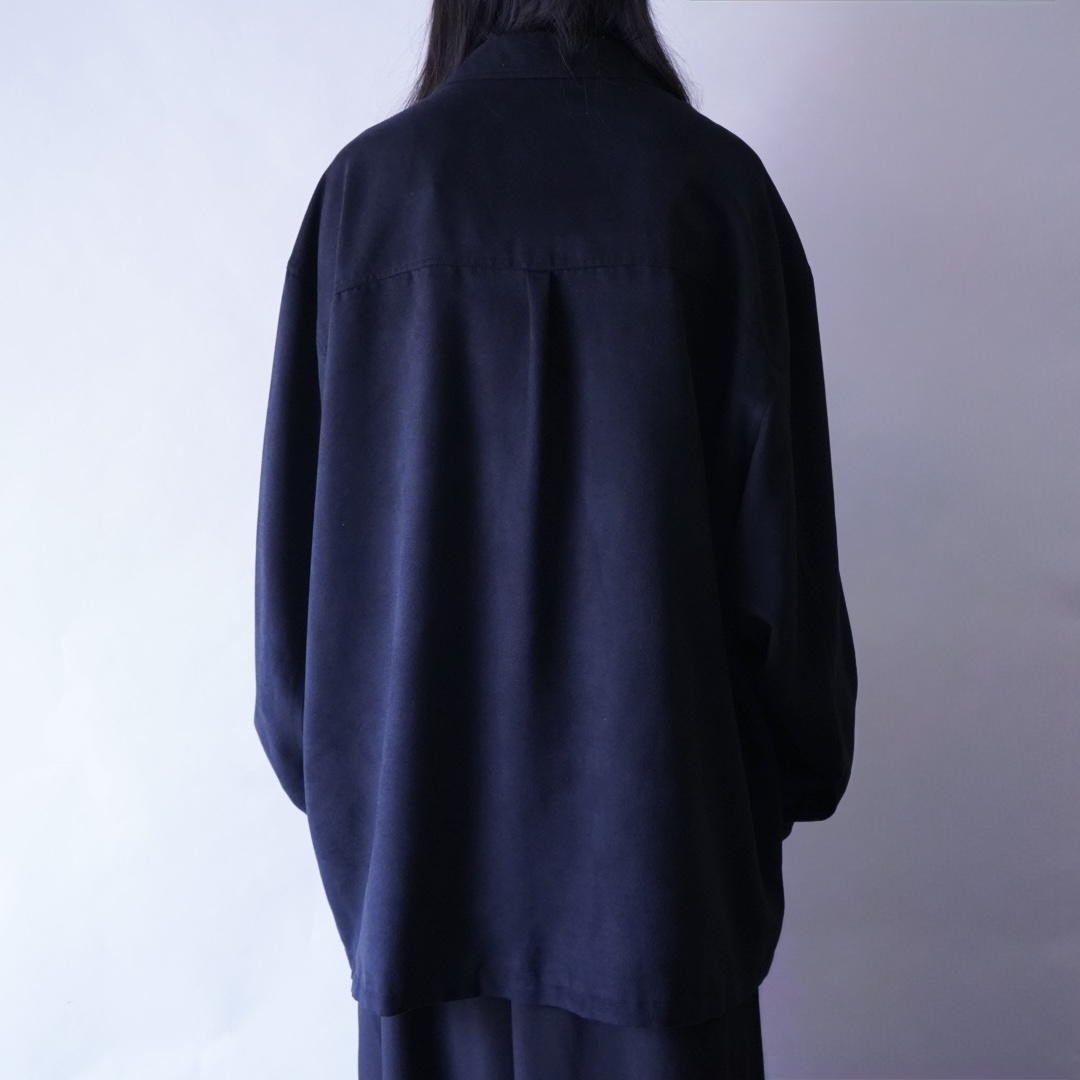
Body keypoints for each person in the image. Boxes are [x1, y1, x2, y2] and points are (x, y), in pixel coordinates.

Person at [253, 1, 858, 1076]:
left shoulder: (364, 200)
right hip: (662, 895)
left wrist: (380, 808)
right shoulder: (714, 193)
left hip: (423, 897)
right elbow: (792, 612)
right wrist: (738, 805)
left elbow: (295, 646)